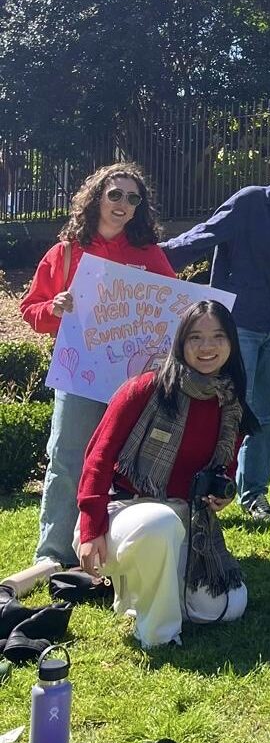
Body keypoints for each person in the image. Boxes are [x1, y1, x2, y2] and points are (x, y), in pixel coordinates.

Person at [20, 163, 175, 568]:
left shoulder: (149, 255)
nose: (123, 204)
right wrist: (54, 308)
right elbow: (31, 309)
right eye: (115, 195)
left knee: (128, 466)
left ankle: (117, 552)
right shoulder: (66, 252)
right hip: (79, 375)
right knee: (68, 458)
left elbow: (175, 309)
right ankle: (53, 554)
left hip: (133, 381)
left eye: (133, 198)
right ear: (96, 198)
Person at [76, 300, 255, 648]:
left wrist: (223, 493)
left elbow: (227, 467)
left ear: (231, 344)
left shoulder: (229, 403)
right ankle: (158, 635)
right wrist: (89, 530)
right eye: (196, 337)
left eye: (218, 336)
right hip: (123, 514)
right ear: (180, 342)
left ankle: (138, 593)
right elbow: (97, 459)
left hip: (187, 517)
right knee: (159, 522)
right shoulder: (145, 389)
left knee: (227, 606)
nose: (207, 347)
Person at [163, 147, 270, 522]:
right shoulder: (252, 200)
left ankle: (256, 495)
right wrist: (155, 257)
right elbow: (205, 235)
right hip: (240, 324)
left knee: (266, 411)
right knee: (230, 406)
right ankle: (208, 488)